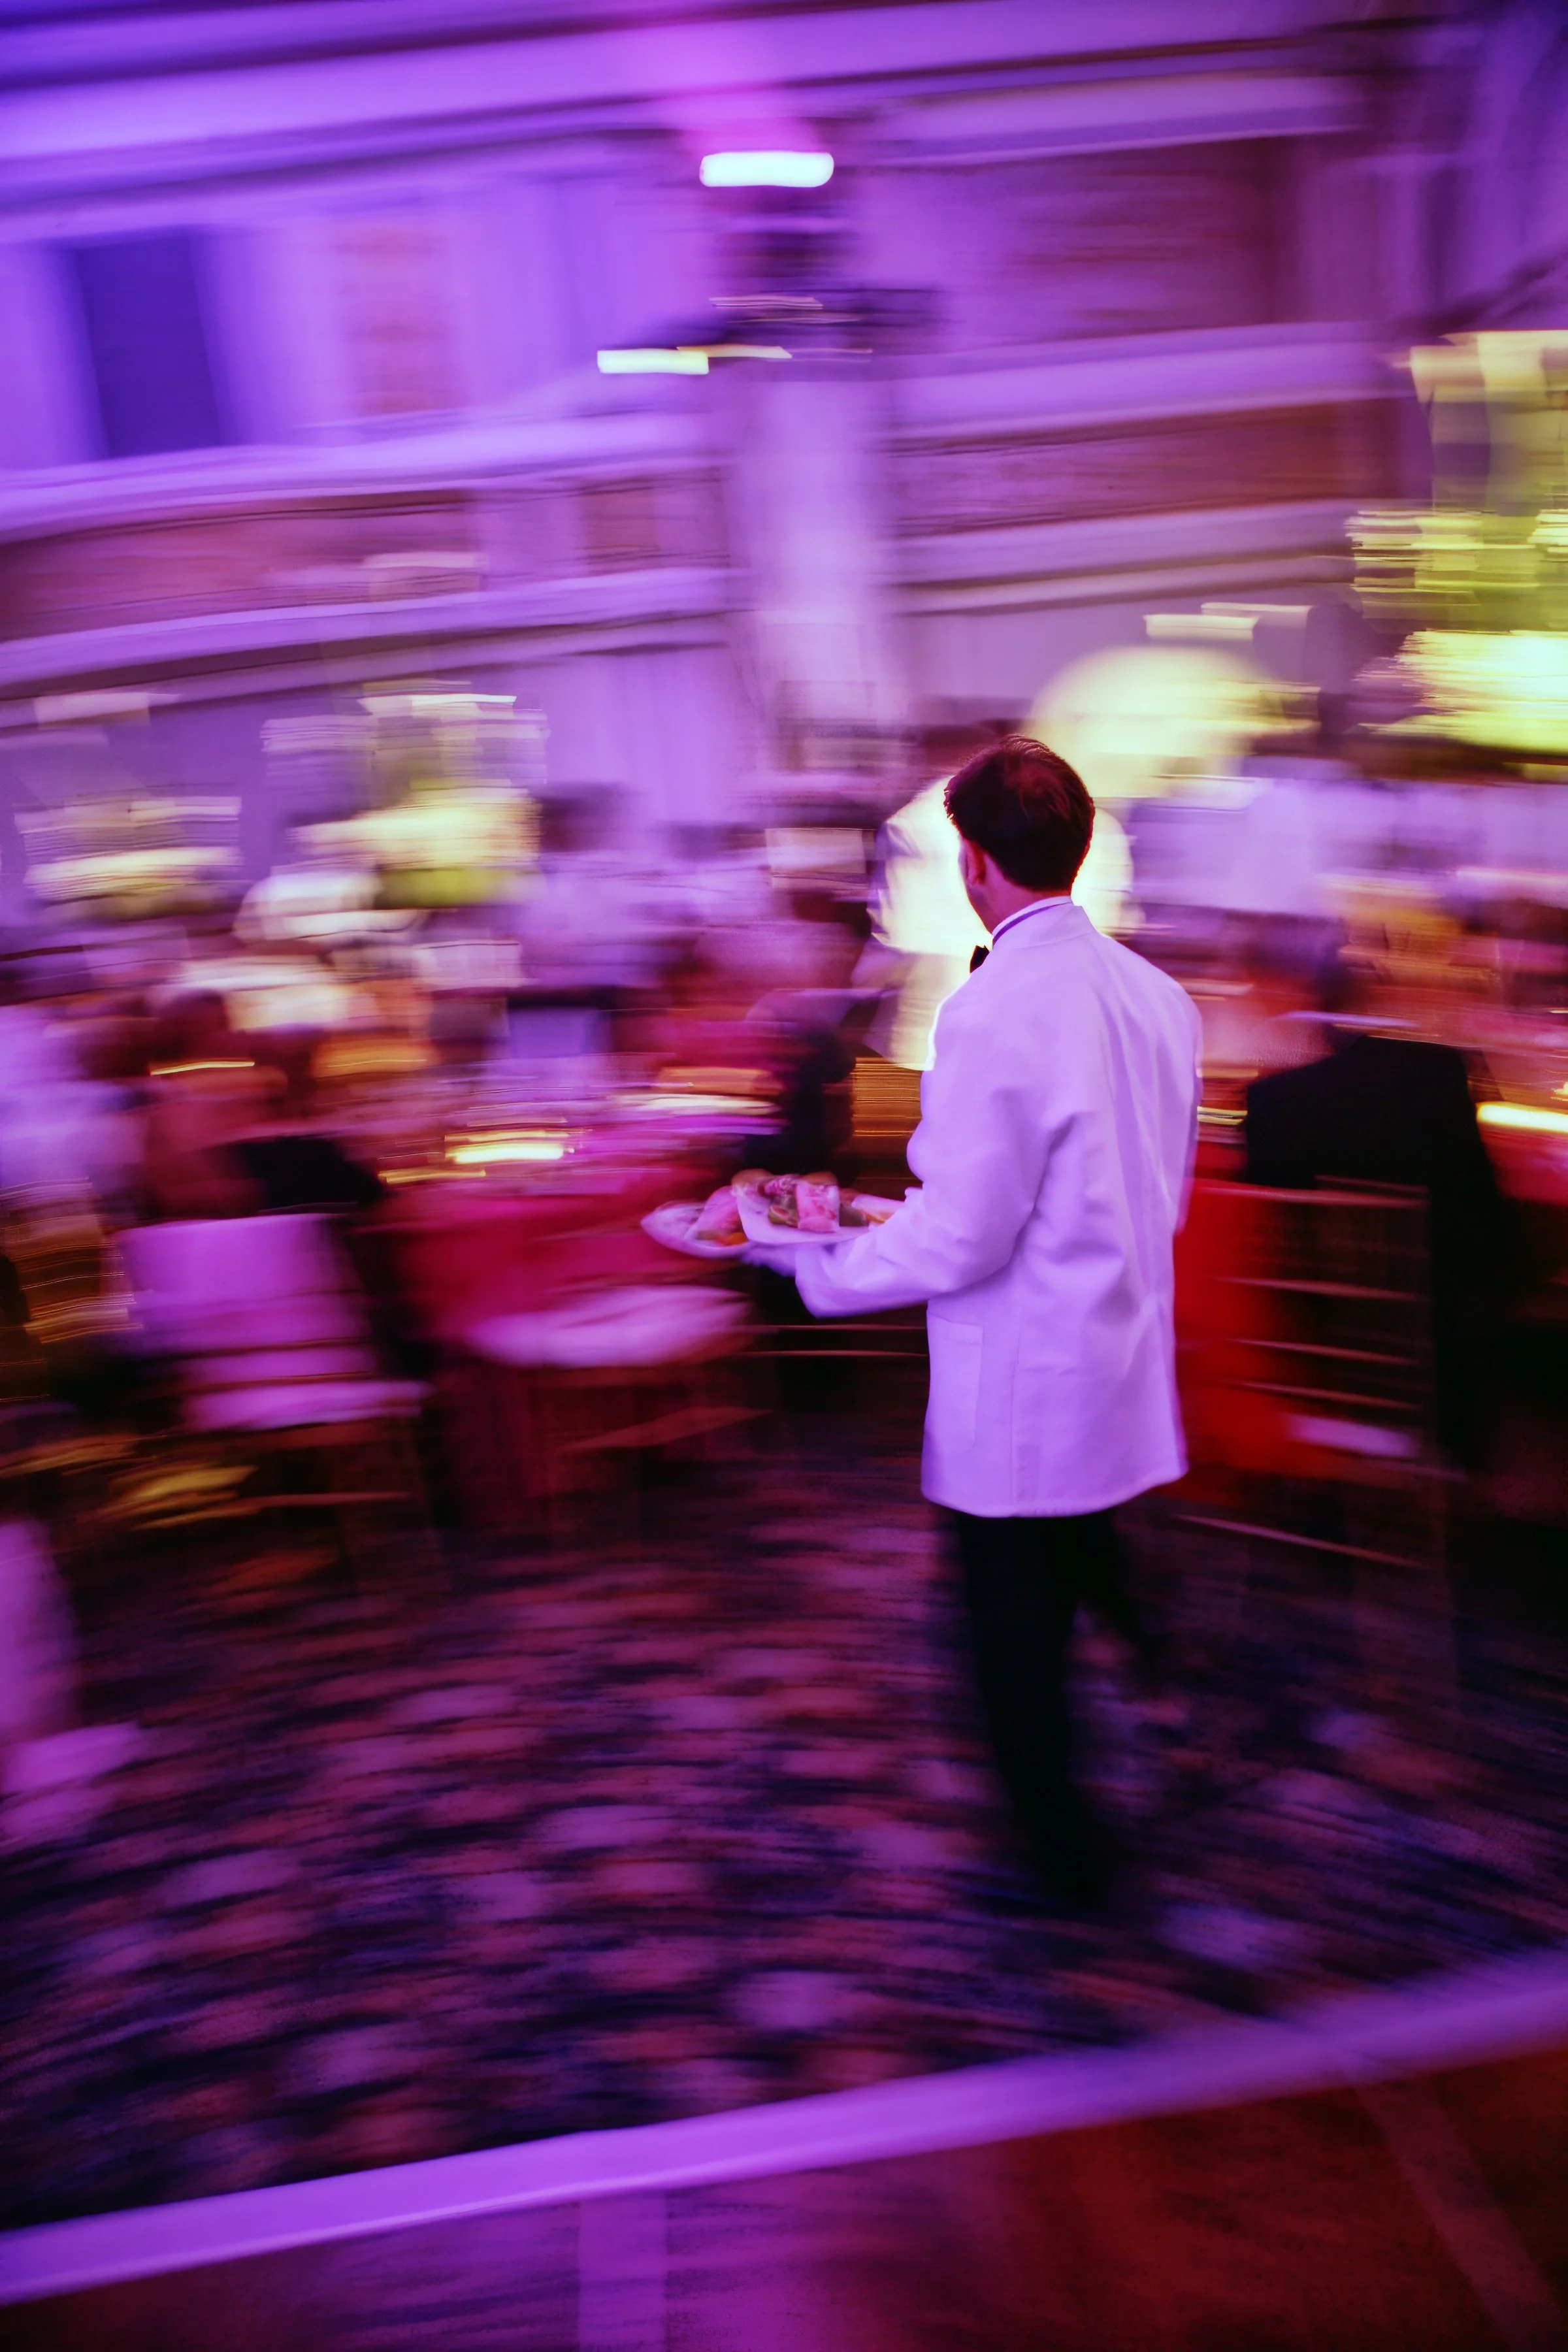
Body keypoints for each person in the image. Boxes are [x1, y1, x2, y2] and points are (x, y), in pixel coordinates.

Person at [759, 736, 1203, 1910]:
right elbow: (1148, 1190)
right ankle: (1157, 1709)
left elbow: (964, 1237)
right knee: (1075, 1572)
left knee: (1011, 1644)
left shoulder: (993, 1007)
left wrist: (807, 1260)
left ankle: (1066, 1873)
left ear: (971, 861)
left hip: (1022, 1380)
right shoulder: (1158, 995)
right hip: (1117, 1349)